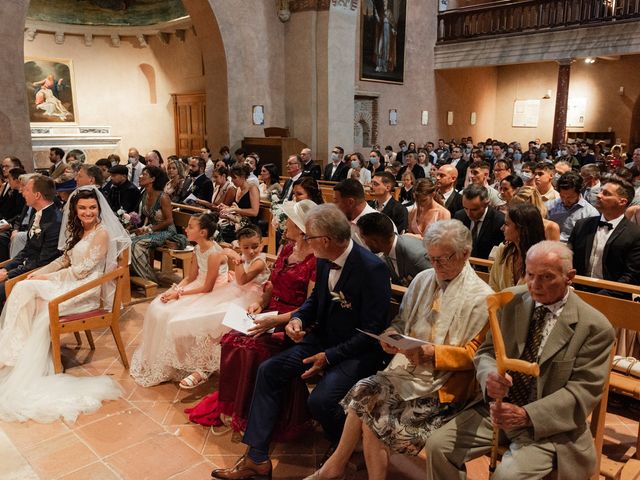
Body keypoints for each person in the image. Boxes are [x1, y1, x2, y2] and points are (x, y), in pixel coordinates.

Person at [211, 204, 391, 480]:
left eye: (310, 236)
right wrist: (297, 321)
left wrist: (328, 357)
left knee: (320, 400)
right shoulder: (323, 259)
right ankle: (257, 459)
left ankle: (345, 442)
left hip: (356, 351)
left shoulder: (373, 268)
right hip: (321, 341)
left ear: (327, 240)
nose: (305, 241)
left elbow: (371, 331)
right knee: (269, 371)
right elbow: (314, 303)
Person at [307, 220, 493, 480]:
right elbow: (402, 321)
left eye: (443, 259)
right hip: (408, 371)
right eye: (432, 258)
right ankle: (337, 466)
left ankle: (335, 467)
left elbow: (476, 356)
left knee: (373, 418)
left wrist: (433, 354)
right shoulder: (423, 279)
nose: (436, 266)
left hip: (445, 389)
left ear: (465, 253)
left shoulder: (483, 297)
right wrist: (390, 338)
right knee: (365, 390)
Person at [425, 241, 616, 480]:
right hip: (497, 410)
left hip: (547, 427)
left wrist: (526, 415)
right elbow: (485, 352)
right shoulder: (509, 300)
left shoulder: (594, 327)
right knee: (438, 447)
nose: (535, 285)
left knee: (507, 477)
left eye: (546, 277)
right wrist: (489, 376)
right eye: (530, 275)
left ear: (570, 276)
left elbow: (582, 393)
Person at [186, 201, 317, 436]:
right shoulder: (287, 250)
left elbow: (310, 305)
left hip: (291, 319)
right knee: (231, 338)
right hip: (271, 310)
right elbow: (272, 284)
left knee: (253, 346)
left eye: (288, 220)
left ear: (301, 228)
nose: (284, 223)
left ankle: (252, 412)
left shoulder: (316, 260)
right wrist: (261, 303)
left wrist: (276, 321)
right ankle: (235, 406)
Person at [0, 187, 130, 423]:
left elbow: (81, 272)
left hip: (85, 290)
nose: (88, 212)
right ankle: (13, 354)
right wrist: (40, 272)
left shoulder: (101, 234)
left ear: (99, 208)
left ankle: (15, 356)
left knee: (31, 295)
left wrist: (46, 279)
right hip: (69, 282)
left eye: (92, 207)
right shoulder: (78, 229)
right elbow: (65, 259)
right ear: (75, 209)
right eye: (82, 207)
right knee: (23, 288)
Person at [130, 214, 264, 388]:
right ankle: (165, 360)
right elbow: (190, 277)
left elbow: (207, 288)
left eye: (190, 226)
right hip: (197, 286)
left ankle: (187, 363)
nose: (186, 229)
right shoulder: (196, 249)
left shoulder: (214, 254)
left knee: (172, 316)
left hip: (213, 291)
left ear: (203, 232)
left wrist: (180, 295)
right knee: (158, 307)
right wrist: (176, 290)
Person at [568, 176, 640, 298]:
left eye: (606, 193)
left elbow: (631, 275)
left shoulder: (635, 234)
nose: (598, 195)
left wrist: (601, 296)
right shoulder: (582, 225)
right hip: (576, 291)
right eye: (600, 191)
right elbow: (569, 258)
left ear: (622, 201)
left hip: (614, 298)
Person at [0, 175, 63, 307]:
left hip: (42, 274)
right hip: (28, 268)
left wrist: (9, 274)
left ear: (37, 195)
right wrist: (6, 268)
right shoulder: (37, 214)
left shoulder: (55, 221)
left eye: (27, 190)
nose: (22, 192)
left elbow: (45, 261)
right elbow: (27, 249)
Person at [130, 166, 185, 283]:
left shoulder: (163, 197)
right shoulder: (145, 194)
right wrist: (140, 228)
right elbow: (148, 217)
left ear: (152, 179)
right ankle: (134, 274)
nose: (140, 176)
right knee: (129, 239)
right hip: (154, 230)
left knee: (137, 244)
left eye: (144, 174)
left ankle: (148, 279)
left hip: (167, 231)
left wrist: (150, 229)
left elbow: (169, 220)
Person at [357, 212, 430, 286]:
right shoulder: (387, 249)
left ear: (374, 241)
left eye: (363, 238)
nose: (364, 242)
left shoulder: (415, 256)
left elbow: (437, 286)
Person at [489, 203, 546, 291]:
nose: (502, 228)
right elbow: (493, 285)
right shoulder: (503, 249)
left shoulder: (544, 259)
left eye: (507, 224)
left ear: (521, 229)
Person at [454, 184, 504, 259]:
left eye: (474, 210)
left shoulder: (499, 221)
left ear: (486, 204)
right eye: (465, 208)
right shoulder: (459, 216)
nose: (468, 213)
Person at [546, 172, 599, 242]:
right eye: (562, 196)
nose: (565, 200)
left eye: (570, 197)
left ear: (579, 193)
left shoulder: (590, 214)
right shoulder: (550, 206)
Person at [219, 163, 260, 240]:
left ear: (243, 177)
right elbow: (239, 208)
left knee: (224, 235)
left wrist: (234, 209)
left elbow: (254, 212)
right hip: (237, 222)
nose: (232, 181)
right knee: (218, 229)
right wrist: (226, 208)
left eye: (235, 178)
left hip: (249, 226)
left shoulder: (252, 188)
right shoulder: (238, 188)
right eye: (231, 178)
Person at [332, 179, 378, 248]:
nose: (334, 207)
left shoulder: (377, 224)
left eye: (336, 202)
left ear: (350, 202)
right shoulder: (343, 218)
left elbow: (379, 258)